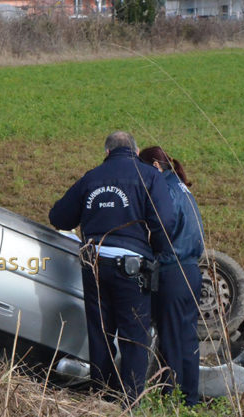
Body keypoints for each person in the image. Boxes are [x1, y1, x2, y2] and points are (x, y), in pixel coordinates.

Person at [49, 131, 175, 404]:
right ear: (136, 150)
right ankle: (130, 403)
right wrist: (159, 254)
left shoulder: (91, 177)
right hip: (132, 268)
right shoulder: (149, 176)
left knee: (100, 334)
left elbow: (58, 216)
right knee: (134, 337)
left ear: (107, 153)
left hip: (93, 264)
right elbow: (164, 221)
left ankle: (100, 398)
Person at [139, 146, 204, 406]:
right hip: (190, 270)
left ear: (155, 165)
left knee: (172, 342)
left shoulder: (163, 189)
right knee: (186, 339)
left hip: (171, 269)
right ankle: (189, 400)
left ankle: (174, 402)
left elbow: (161, 228)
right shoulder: (181, 187)